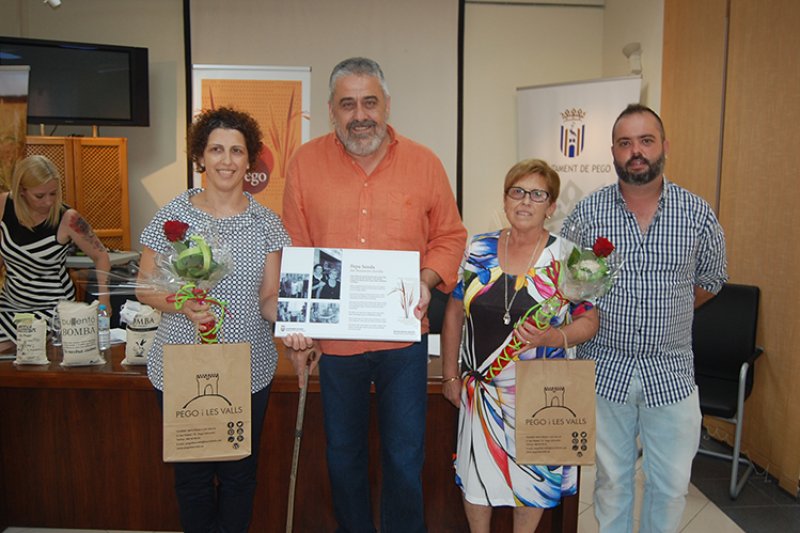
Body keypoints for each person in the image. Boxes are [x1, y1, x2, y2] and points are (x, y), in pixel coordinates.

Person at [281, 57, 467, 532]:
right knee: (343, 456)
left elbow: (450, 236)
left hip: (402, 340)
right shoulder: (305, 163)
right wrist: (298, 328)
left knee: (405, 458)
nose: (359, 114)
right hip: (336, 344)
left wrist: (426, 281)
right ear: (331, 111)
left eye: (369, 102)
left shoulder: (424, 163)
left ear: (387, 105)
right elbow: (295, 246)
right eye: (348, 104)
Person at [561, 104, 727, 533]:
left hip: (670, 372)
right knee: (612, 483)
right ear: (613, 152)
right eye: (625, 142)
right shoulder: (588, 215)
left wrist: (667, 313)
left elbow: (711, 280)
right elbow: (576, 290)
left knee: (670, 487)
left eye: (646, 140)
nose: (636, 151)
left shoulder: (697, 214)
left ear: (664, 147)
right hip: (604, 369)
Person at [135, 107, 290, 533]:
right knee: (193, 479)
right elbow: (144, 288)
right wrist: (181, 302)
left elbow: (268, 298)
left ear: (250, 159)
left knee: (241, 477)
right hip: (182, 367)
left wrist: (299, 322)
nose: (226, 160)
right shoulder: (172, 218)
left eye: (237, 151)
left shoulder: (268, 224)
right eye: (216, 149)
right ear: (200, 157)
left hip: (249, 368)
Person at [440, 159, 599, 532]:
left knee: (532, 484)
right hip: (481, 389)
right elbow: (453, 312)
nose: (525, 201)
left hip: (542, 393)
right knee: (477, 477)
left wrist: (552, 337)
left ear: (551, 206)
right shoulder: (478, 247)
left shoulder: (571, 258)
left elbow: (589, 321)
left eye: (537, 194)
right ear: (506, 199)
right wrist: (450, 376)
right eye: (517, 191)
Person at [0, 154, 110, 351]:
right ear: (21, 191)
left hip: (52, 309)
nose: (49, 202)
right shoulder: (3, 206)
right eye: (40, 196)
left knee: (13, 345)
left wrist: (104, 301)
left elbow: (101, 256)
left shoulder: (68, 218)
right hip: (10, 303)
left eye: (53, 193)